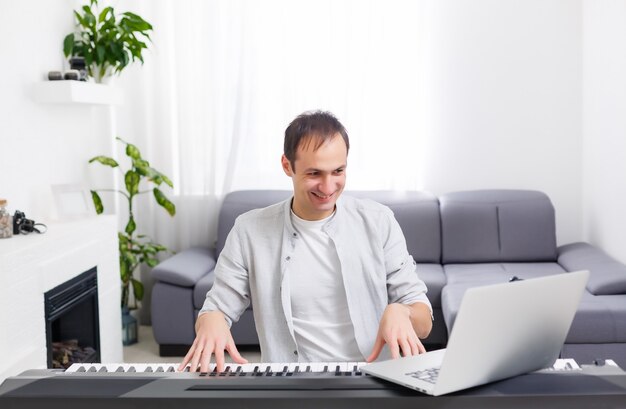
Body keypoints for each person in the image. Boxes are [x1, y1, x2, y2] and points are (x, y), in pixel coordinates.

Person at [180, 111, 433, 373]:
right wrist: (211, 321)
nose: (327, 187)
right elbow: (217, 308)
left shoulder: (379, 221)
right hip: (290, 384)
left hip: (373, 380)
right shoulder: (249, 231)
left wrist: (402, 312)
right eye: (314, 173)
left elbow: (424, 322)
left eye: (338, 171)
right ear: (287, 165)